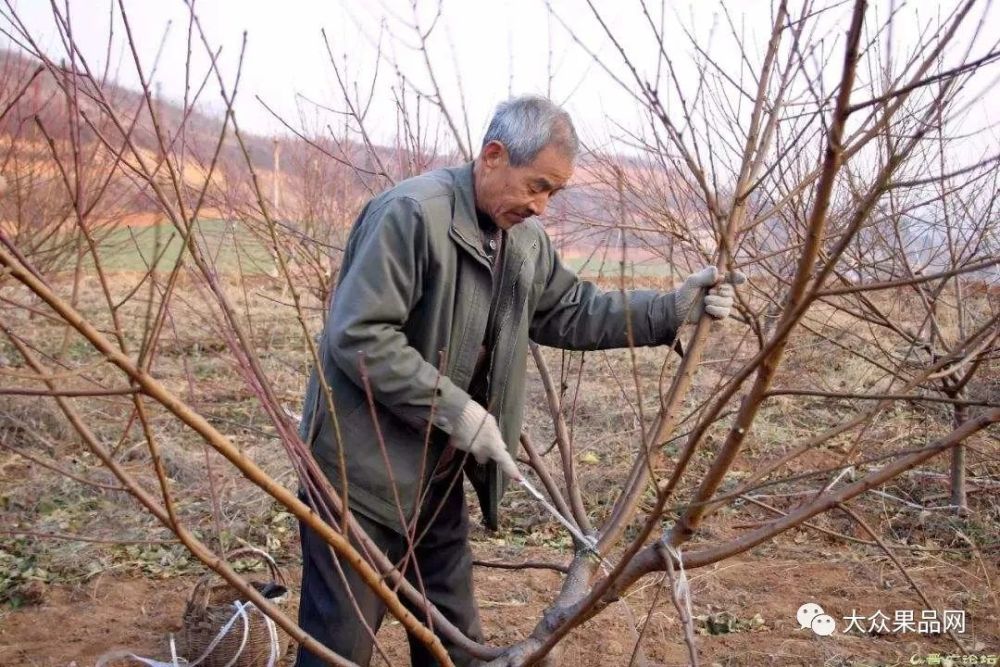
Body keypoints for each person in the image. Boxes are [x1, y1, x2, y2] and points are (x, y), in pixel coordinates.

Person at [294, 95, 741, 666]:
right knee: (341, 647)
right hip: (359, 482)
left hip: (438, 478)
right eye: (537, 186)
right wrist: (453, 409)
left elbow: (571, 309)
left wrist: (670, 309)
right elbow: (358, 336)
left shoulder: (523, 240)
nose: (542, 206)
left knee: (452, 642)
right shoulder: (410, 215)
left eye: (554, 192)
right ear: (494, 155)